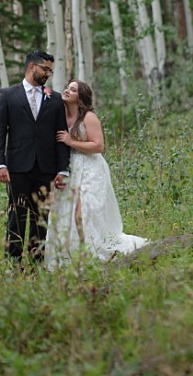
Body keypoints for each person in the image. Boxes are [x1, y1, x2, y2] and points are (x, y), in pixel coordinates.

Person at [45, 80, 147, 268]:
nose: (67, 90)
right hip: (71, 168)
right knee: (65, 211)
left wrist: (71, 142)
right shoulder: (61, 114)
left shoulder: (88, 117)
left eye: (73, 89)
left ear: (80, 97)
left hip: (91, 168)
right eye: (68, 87)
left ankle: (90, 253)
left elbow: (98, 146)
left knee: (84, 212)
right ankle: (70, 255)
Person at [0, 51, 71, 264]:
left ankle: (37, 265)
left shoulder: (54, 98)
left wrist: (63, 169)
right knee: (17, 217)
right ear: (31, 67)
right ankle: (13, 265)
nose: (48, 74)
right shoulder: (8, 95)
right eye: (45, 69)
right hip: (17, 167)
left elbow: (60, 135)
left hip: (46, 168)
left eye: (50, 71)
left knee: (41, 219)